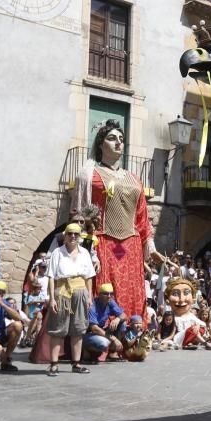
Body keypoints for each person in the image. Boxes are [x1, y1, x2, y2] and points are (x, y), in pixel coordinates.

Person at [72, 120, 165, 322]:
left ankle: (133, 335)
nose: (118, 143)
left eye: (121, 139)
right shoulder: (89, 175)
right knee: (105, 287)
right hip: (103, 243)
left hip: (130, 247)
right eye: (112, 138)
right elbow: (78, 214)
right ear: (100, 144)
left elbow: (142, 218)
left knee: (132, 287)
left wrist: (150, 246)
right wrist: (83, 246)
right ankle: (103, 335)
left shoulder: (134, 178)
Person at [45, 224, 95, 376]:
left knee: (78, 328)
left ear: (79, 236)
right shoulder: (57, 253)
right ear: (65, 235)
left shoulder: (85, 253)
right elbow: (51, 276)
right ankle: (54, 364)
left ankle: (76, 363)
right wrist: (52, 298)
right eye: (70, 233)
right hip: (62, 291)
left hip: (80, 291)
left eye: (76, 234)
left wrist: (89, 296)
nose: (73, 236)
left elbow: (89, 277)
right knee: (58, 328)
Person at [83, 283, 126, 362]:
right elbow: (94, 328)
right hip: (89, 333)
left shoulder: (110, 302)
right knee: (103, 342)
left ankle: (113, 353)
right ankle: (87, 351)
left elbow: (124, 315)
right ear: (99, 294)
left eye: (111, 293)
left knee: (123, 324)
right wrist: (114, 339)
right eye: (106, 293)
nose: (109, 296)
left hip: (101, 331)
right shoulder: (92, 305)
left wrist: (117, 319)